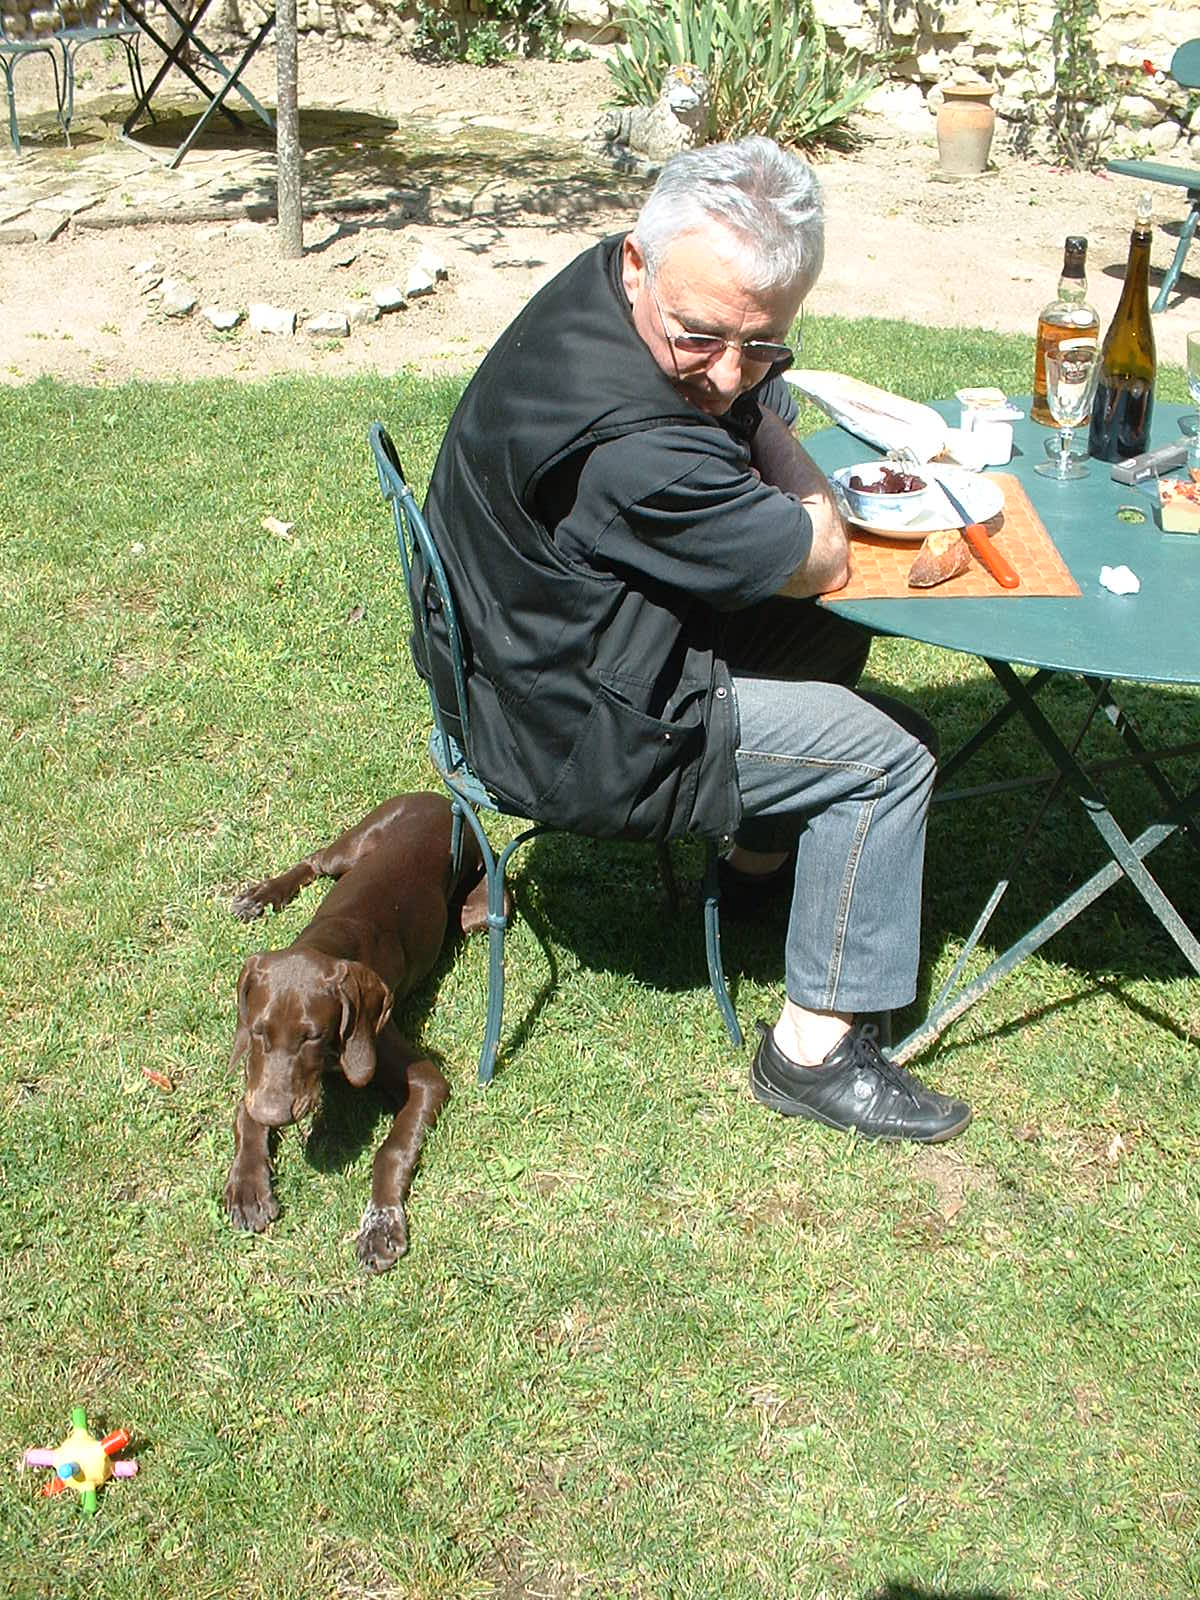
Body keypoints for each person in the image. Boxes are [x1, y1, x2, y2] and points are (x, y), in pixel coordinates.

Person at [414, 135, 971, 1144]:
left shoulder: (600, 290)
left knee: (816, 639)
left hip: (513, 666)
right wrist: (764, 423)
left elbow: (756, 469)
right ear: (642, 263)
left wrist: (743, 392)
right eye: (703, 338)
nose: (725, 374)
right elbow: (822, 552)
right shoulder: (641, 449)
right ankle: (811, 1053)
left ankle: (753, 873)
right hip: (580, 735)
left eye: (764, 347)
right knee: (893, 754)